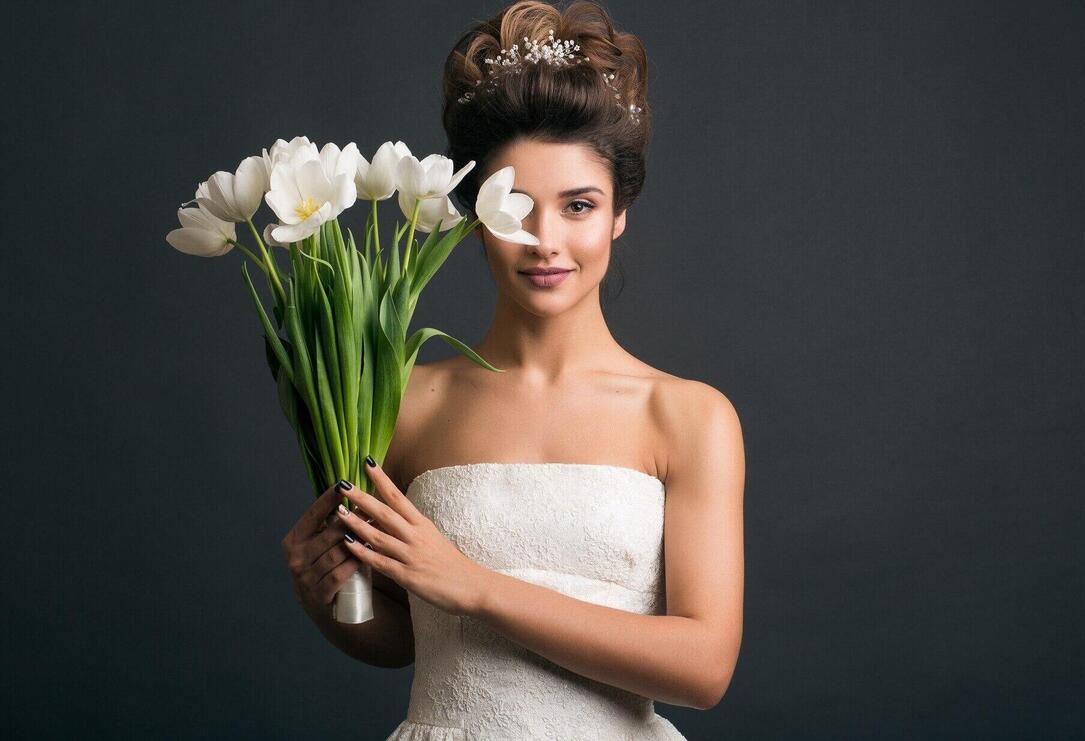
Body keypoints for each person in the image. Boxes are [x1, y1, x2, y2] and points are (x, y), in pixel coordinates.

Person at [281, 2, 744, 737]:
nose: (545, 241)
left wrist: (479, 589)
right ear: (474, 213)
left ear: (619, 211)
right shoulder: (406, 401)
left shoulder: (687, 417)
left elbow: (705, 664)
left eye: (579, 205)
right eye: (517, 207)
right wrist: (325, 592)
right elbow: (407, 640)